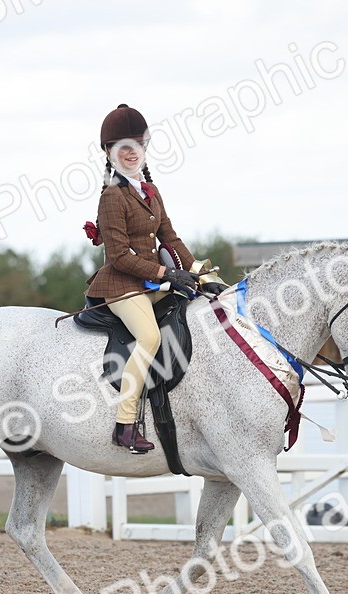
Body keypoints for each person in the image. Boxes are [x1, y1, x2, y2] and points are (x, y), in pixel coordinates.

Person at [85, 103, 202, 453]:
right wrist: (167, 272)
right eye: (122, 147)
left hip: (149, 283)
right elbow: (119, 256)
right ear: (109, 153)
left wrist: (199, 274)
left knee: (196, 308)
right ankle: (124, 424)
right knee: (149, 336)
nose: (131, 152)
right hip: (121, 286)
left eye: (136, 146)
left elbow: (171, 238)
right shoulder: (112, 197)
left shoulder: (151, 192)